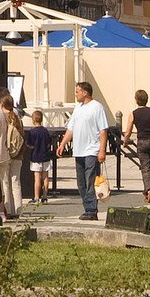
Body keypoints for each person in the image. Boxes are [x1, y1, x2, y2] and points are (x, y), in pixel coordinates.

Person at [57, 81, 110, 221]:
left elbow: (103, 130)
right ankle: (87, 207)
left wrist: (102, 150)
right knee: (81, 182)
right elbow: (71, 128)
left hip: (92, 150)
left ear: (85, 92)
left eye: (77, 92)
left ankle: (92, 209)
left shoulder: (97, 107)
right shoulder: (78, 108)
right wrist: (63, 143)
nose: (75, 94)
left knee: (90, 179)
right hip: (79, 150)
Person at [126, 89, 150, 204]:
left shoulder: (133, 114)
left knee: (145, 167)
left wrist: (125, 141)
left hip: (142, 142)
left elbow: (128, 131)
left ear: (136, 100)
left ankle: (148, 190)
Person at [0, 93, 26, 218]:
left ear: (2, 104)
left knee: (6, 183)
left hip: (6, 153)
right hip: (17, 154)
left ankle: (8, 209)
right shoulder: (17, 117)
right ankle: (19, 209)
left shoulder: (2, 116)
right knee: (16, 182)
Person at [24, 109, 55, 205]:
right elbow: (48, 142)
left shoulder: (32, 132)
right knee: (45, 177)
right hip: (45, 156)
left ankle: (36, 197)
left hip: (35, 156)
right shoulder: (45, 131)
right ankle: (45, 197)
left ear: (33, 120)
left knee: (37, 178)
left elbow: (30, 145)